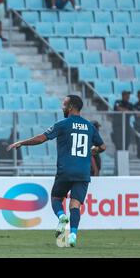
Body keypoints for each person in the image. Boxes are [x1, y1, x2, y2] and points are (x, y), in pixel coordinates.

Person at [8, 95, 106, 247]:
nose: (62, 106)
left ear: (71, 107)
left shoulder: (63, 124)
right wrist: (92, 151)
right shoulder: (90, 127)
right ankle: (72, 235)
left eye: (64, 104)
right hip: (83, 172)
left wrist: (22, 142)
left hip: (65, 171)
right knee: (75, 204)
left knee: (56, 198)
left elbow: (41, 138)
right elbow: (103, 147)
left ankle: (61, 217)